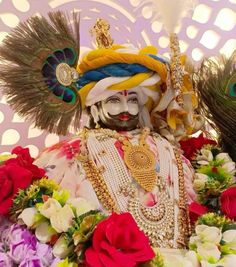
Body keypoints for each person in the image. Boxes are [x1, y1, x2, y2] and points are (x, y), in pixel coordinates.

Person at [0, 12, 199, 250]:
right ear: (95, 104)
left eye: (133, 99)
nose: (126, 108)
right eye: (114, 100)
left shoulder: (166, 148)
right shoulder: (73, 153)